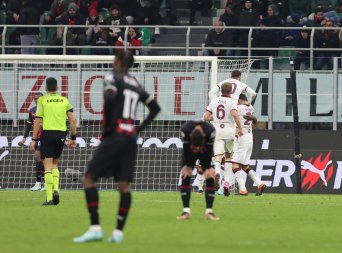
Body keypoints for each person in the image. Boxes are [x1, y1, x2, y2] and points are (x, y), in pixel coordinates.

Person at [73, 50, 161, 243]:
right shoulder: (135, 83)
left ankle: (95, 228)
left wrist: (109, 128)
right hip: (130, 136)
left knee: (88, 179)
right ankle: (118, 232)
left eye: (114, 59)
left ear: (120, 61)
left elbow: (111, 99)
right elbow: (155, 108)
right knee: (123, 185)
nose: (113, 62)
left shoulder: (112, 77)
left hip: (115, 135)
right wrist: (138, 128)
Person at [30, 77, 77, 205]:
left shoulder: (42, 100)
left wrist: (34, 139)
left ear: (45, 88)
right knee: (55, 164)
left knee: (47, 166)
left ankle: (50, 198)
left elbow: (37, 121)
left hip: (47, 134)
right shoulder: (64, 100)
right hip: (61, 134)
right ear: (57, 88)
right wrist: (73, 138)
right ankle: (56, 189)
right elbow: (73, 121)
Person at [203, 82, 243, 197]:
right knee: (229, 157)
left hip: (216, 131)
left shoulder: (214, 101)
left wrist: (215, 118)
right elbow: (235, 114)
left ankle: (216, 172)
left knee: (218, 157)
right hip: (229, 131)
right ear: (231, 91)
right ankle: (226, 184)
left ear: (221, 90)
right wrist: (239, 128)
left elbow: (206, 117)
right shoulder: (232, 101)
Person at [177, 120, 219, 220]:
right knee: (186, 174)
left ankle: (209, 212)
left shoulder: (211, 132)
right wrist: (186, 166)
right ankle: (186, 211)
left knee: (210, 176)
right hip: (190, 151)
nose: (198, 148)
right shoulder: (185, 131)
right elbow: (186, 150)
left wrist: (207, 167)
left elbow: (209, 151)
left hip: (206, 151)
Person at [230, 94, 266, 196]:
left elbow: (231, 112)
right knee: (245, 166)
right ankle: (260, 183)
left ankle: (242, 189)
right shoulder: (251, 107)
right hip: (249, 138)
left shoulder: (238, 107)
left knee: (234, 164)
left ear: (240, 100)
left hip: (242, 138)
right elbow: (254, 120)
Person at [23, 92, 45, 191]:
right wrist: (24, 137)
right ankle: (39, 183)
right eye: (35, 98)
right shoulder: (32, 110)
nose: (36, 100)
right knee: (38, 158)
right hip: (37, 137)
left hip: (47, 136)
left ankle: (45, 183)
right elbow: (29, 125)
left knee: (43, 159)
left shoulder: (47, 109)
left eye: (38, 98)